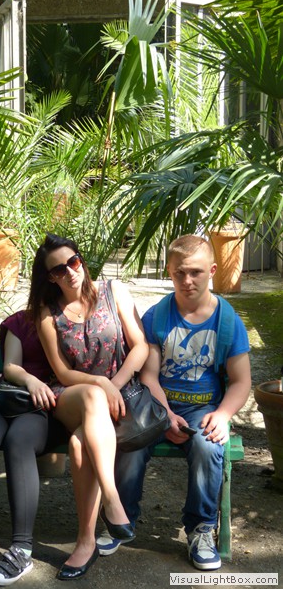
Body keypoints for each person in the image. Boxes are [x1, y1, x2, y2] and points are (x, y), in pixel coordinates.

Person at [98, 235, 251, 570]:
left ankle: (201, 528)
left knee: (208, 446)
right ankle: (121, 519)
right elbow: (150, 375)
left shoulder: (227, 321)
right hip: (156, 405)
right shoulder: (158, 317)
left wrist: (223, 415)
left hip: (203, 409)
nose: (187, 280)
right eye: (180, 272)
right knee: (131, 443)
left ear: (212, 271)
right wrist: (165, 415)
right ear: (169, 271)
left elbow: (241, 381)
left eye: (196, 272)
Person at [28, 233, 149, 580]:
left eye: (73, 261)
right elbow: (63, 373)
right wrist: (101, 385)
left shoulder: (113, 291)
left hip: (118, 395)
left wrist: (115, 385)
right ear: (50, 277)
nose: (70, 272)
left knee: (80, 444)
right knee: (93, 397)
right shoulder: (47, 314)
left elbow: (140, 346)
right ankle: (113, 498)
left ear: (81, 260)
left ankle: (85, 541)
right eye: (59, 270)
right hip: (72, 395)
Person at [0, 309, 68, 586]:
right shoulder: (21, 321)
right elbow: (10, 366)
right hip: (9, 395)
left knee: (18, 440)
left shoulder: (75, 322)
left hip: (46, 405)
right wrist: (31, 380)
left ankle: (22, 548)